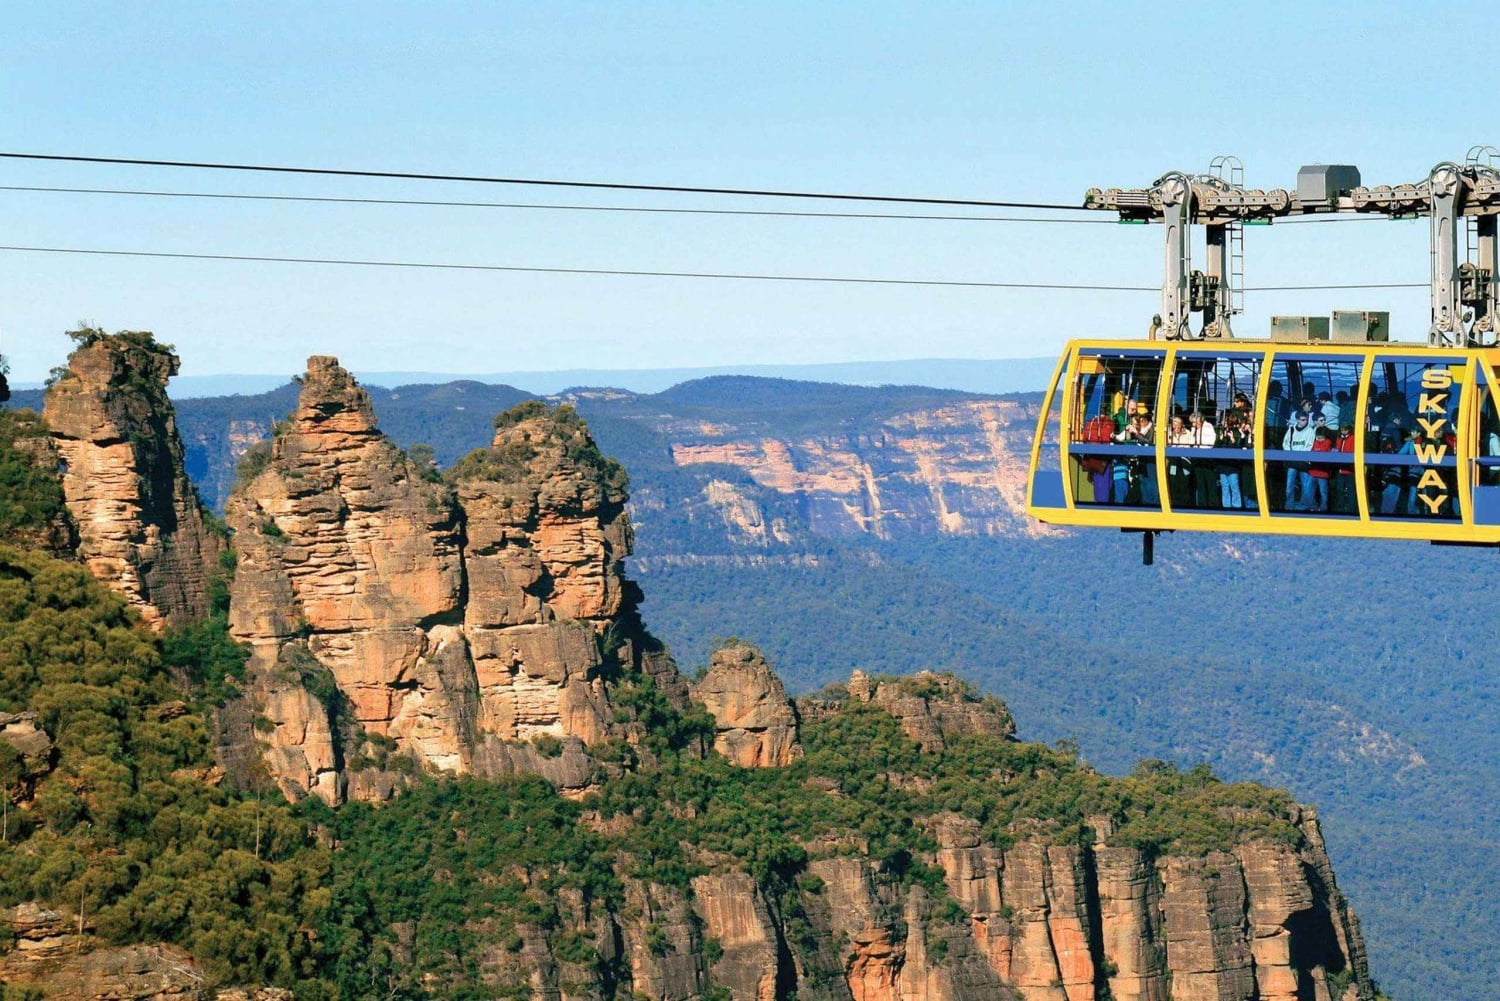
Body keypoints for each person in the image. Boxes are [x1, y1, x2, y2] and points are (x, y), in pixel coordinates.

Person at [1217, 411, 1251, 509]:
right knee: (1225, 487)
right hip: (1223, 465)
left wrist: (1232, 440)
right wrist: (1220, 438)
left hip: (1233, 466)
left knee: (1234, 487)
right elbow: (1217, 447)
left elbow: (1238, 449)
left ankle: (1237, 507)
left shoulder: (1238, 434)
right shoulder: (1222, 432)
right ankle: (1226, 507)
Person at [1282, 412, 1315, 510]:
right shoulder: (1291, 429)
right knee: (1289, 486)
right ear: (1297, 420)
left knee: (1306, 486)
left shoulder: (1310, 431)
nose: (1305, 422)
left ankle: (1304, 506)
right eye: (1303, 420)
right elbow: (1286, 443)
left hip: (1303, 462)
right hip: (1292, 462)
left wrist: (1300, 455)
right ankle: (1289, 505)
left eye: (1306, 420)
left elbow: (1309, 445)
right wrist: (1291, 455)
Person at [1188, 411, 1218, 507]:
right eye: (1192, 422)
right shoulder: (1194, 430)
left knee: (1210, 482)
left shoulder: (1208, 427)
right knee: (1200, 483)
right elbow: (1191, 442)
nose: (1193, 424)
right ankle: (1202, 504)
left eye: (1194, 422)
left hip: (1206, 458)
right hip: (1197, 459)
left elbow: (1210, 442)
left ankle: (1212, 504)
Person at [1166, 414, 1193, 506]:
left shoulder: (1188, 433)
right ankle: (1174, 503)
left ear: (1182, 424)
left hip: (1185, 461)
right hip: (1173, 461)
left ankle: (1184, 503)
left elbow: (1189, 445)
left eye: (1177, 424)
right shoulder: (1169, 434)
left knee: (1184, 482)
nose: (1175, 426)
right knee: (1173, 481)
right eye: (1174, 424)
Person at [1308, 426, 1335, 512]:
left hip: (1322, 472)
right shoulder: (1314, 442)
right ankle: (1313, 506)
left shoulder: (1328, 442)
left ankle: (1323, 507)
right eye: (1318, 438)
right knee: (1310, 490)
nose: (1319, 440)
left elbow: (1322, 453)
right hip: (1313, 471)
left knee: (1323, 491)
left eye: (1321, 438)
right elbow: (1311, 452)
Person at [1333, 424, 1357, 514]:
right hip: (1340, 468)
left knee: (1351, 490)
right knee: (1339, 489)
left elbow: (1352, 451)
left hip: (1350, 469)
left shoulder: (1352, 438)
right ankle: (1340, 508)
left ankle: (1351, 509)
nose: (1343, 431)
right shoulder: (1339, 438)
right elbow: (1337, 449)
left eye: (1345, 429)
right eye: (1342, 430)